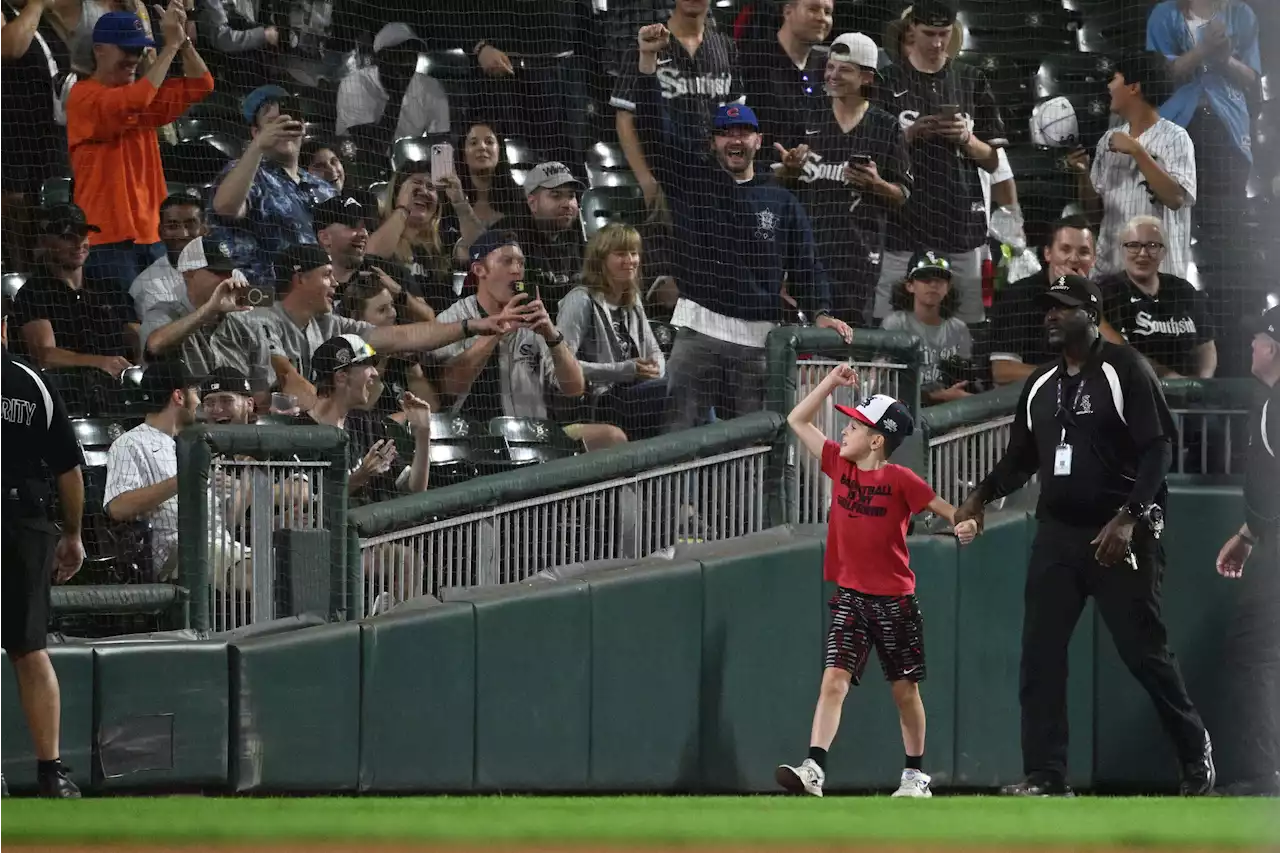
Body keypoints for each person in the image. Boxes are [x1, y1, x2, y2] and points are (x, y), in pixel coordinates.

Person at [953, 274, 1215, 797]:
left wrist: (1130, 516)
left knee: (1145, 653)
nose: (1051, 315)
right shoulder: (1041, 384)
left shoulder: (1125, 370)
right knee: (1040, 655)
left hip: (1121, 534)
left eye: (1064, 307)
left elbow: (1159, 447)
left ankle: (1194, 752)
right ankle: (1046, 776)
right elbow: (1021, 458)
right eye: (1048, 308)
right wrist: (980, 496)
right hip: (1059, 535)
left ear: (1092, 316)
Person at [632, 23, 851, 430]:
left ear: (758, 140)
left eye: (744, 132)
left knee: (761, 439)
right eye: (725, 132)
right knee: (680, 435)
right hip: (699, 328)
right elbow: (651, 132)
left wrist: (819, 311)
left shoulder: (782, 201)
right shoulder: (691, 180)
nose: (735, 140)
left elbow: (806, 265)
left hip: (760, 339)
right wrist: (648, 62)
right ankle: (682, 498)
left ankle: (752, 499)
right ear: (713, 141)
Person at [776, 365, 977, 799]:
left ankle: (914, 776)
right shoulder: (839, 465)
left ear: (877, 439)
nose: (843, 432)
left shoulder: (901, 479)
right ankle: (814, 768)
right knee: (834, 681)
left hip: (894, 603)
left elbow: (949, 510)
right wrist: (829, 383)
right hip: (851, 597)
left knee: (905, 692)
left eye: (853, 426)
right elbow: (796, 420)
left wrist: (966, 524)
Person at [249, 243, 523, 410]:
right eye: (327, 276)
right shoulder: (263, 320)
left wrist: (474, 325)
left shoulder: (330, 324)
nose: (334, 284)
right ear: (300, 279)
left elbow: (403, 336)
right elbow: (287, 376)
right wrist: (324, 419)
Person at [873, 0, 1006, 325]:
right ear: (911, 30)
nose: (936, 43)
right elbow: (869, 154)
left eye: (944, 34)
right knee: (891, 329)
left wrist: (966, 138)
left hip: (961, 224)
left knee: (968, 328)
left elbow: (993, 162)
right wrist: (907, 135)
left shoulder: (972, 79)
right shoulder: (885, 80)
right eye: (929, 33)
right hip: (901, 225)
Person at [68, 4, 213, 291]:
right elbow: (135, 99)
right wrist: (169, 47)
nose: (133, 58)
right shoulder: (83, 96)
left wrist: (182, 42)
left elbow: (202, 83)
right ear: (99, 49)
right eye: (126, 49)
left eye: (138, 50)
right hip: (106, 239)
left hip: (153, 237)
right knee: (126, 330)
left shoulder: (144, 98)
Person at [775, 31, 910, 326]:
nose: (833, 75)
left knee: (848, 341)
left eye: (844, 69)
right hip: (807, 251)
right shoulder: (806, 116)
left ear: (867, 78)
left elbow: (903, 195)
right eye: (830, 67)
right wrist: (788, 169)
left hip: (859, 256)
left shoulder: (886, 127)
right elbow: (775, 180)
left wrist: (876, 184)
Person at [0, 340, 86, 798]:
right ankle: (51, 773)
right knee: (30, 650)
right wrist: (72, 535)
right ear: (4, 324)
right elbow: (68, 469)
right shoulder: (32, 380)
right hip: (24, 523)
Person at [1215, 305, 1280, 793]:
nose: (1252, 348)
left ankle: (1263, 776)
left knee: (1256, 652)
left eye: (1257, 340)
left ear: (1273, 348)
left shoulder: (1273, 405)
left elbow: (1267, 488)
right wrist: (1249, 534)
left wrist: (1255, 530)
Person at [1067, 51, 1196, 280]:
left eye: (1114, 79)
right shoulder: (1108, 140)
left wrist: (1137, 150)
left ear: (1133, 87)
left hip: (1160, 279)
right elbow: (1095, 215)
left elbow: (1175, 198)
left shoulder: (1176, 138)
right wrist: (1083, 174)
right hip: (1110, 274)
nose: (1109, 87)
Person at [1146, 0, 1259, 247]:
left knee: (1228, 225)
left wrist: (1225, 58)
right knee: (1178, 223)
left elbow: (1251, 77)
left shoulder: (1241, 13)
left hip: (1229, 128)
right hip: (1179, 126)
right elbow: (1157, 74)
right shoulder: (1164, 15)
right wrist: (1203, 50)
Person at [611, 0, 741, 216]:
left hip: (715, 180)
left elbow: (736, 117)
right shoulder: (647, 43)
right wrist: (646, 181)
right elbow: (624, 119)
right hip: (665, 176)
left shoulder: (725, 46)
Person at [208, 85, 336, 285]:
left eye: (288, 120)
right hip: (264, 301)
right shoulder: (246, 173)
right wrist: (258, 146)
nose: (282, 128)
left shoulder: (324, 188)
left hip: (320, 298)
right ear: (255, 132)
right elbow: (226, 207)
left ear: (302, 125)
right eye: (272, 123)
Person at [555, 223, 668, 441]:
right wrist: (624, 370)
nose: (630, 260)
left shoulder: (632, 299)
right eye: (620, 254)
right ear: (601, 260)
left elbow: (654, 350)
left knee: (691, 385)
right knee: (679, 391)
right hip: (602, 401)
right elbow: (561, 369)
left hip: (639, 391)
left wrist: (657, 369)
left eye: (633, 253)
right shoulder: (580, 300)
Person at [295, 334, 433, 506]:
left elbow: (415, 491)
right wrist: (361, 475)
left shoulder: (365, 424)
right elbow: (309, 506)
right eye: (367, 365)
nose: (375, 373)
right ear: (341, 376)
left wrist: (423, 434)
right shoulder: (300, 434)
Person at [10, 203, 135, 377]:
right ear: (46, 241)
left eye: (83, 234)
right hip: (69, 389)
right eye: (68, 237)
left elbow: (136, 335)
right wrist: (100, 362)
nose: (79, 243)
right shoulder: (34, 292)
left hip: (120, 386)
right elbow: (45, 356)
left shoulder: (107, 287)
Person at [103, 358, 201, 579]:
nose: (199, 400)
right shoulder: (130, 443)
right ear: (179, 396)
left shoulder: (195, 442)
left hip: (215, 543)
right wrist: (183, 480)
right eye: (195, 392)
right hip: (175, 552)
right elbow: (118, 507)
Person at [140, 235, 270, 394]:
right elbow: (155, 345)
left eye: (229, 272)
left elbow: (261, 391)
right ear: (188, 273)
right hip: (184, 415)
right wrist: (209, 310)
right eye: (218, 272)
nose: (227, 279)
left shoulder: (247, 324)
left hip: (238, 416)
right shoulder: (163, 313)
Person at [0, 0, 71, 272]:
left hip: (50, 132)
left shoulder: (40, 17)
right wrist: (38, 4)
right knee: (18, 212)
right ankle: (22, 281)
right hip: (13, 131)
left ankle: (54, 278)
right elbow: (9, 48)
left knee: (54, 204)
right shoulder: (20, 13)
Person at [1100, 216, 1217, 379]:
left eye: (1152, 246)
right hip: (1136, 391)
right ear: (1121, 250)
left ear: (1164, 252)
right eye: (1133, 245)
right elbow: (1120, 352)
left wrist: (1202, 383)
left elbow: (1206, 345)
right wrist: (1170, 378)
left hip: (1190, 395)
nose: (1143, 253)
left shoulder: (1183, 290)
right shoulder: (1106, 291)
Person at [988, 216, 1098, 386]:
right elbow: (1002, 371)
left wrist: (1086, 301)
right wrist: (1066, 375)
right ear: (1048, 253)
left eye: (1083, 252)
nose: (1074, 259)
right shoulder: (1019, 296)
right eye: (1065, 249)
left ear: (1093, 260)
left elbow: (1123, 360)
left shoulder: (1103, 295)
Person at [367, 160, 479, 316]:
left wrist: (459, 202)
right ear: (398, 192)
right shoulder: (376, 229)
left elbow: (484, 251)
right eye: (417, 183)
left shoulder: (445, 239)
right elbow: (370, 258)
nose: (424, 192)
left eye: (431, 187)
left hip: (446, 329)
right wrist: (403, 209)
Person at [737, 0, 832, 150]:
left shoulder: (826, 67)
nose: (822, 18)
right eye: (813, 9)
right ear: (788, 12)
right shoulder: (752, 59)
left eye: (828, 12)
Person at [881, 251, 973, 405]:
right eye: (925, 278)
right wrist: (937, 396)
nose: (933, 284)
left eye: (940, 279)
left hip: (949, 410)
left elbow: (965, 380)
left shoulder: (959, 329)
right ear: (909, 285)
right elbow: (881, 382)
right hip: (903, 409)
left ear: (948, 287)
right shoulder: (895, 323)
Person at [334, 22, 449, 143]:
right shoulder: (355, 84)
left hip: (409, 160)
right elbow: (369, 148)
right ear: (381, 59)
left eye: (412, 55)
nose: (408, 63)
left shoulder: (431, 88)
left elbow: (441, 145)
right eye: (400, 56)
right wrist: (397, 96)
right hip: (356, 160)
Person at [129, 193, 207, 321]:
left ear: (205, 229)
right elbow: (164, 336)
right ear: (161, 232)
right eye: (173, 226)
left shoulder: (226, 270)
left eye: (190, 225)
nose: (183, 234)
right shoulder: (147, 284)